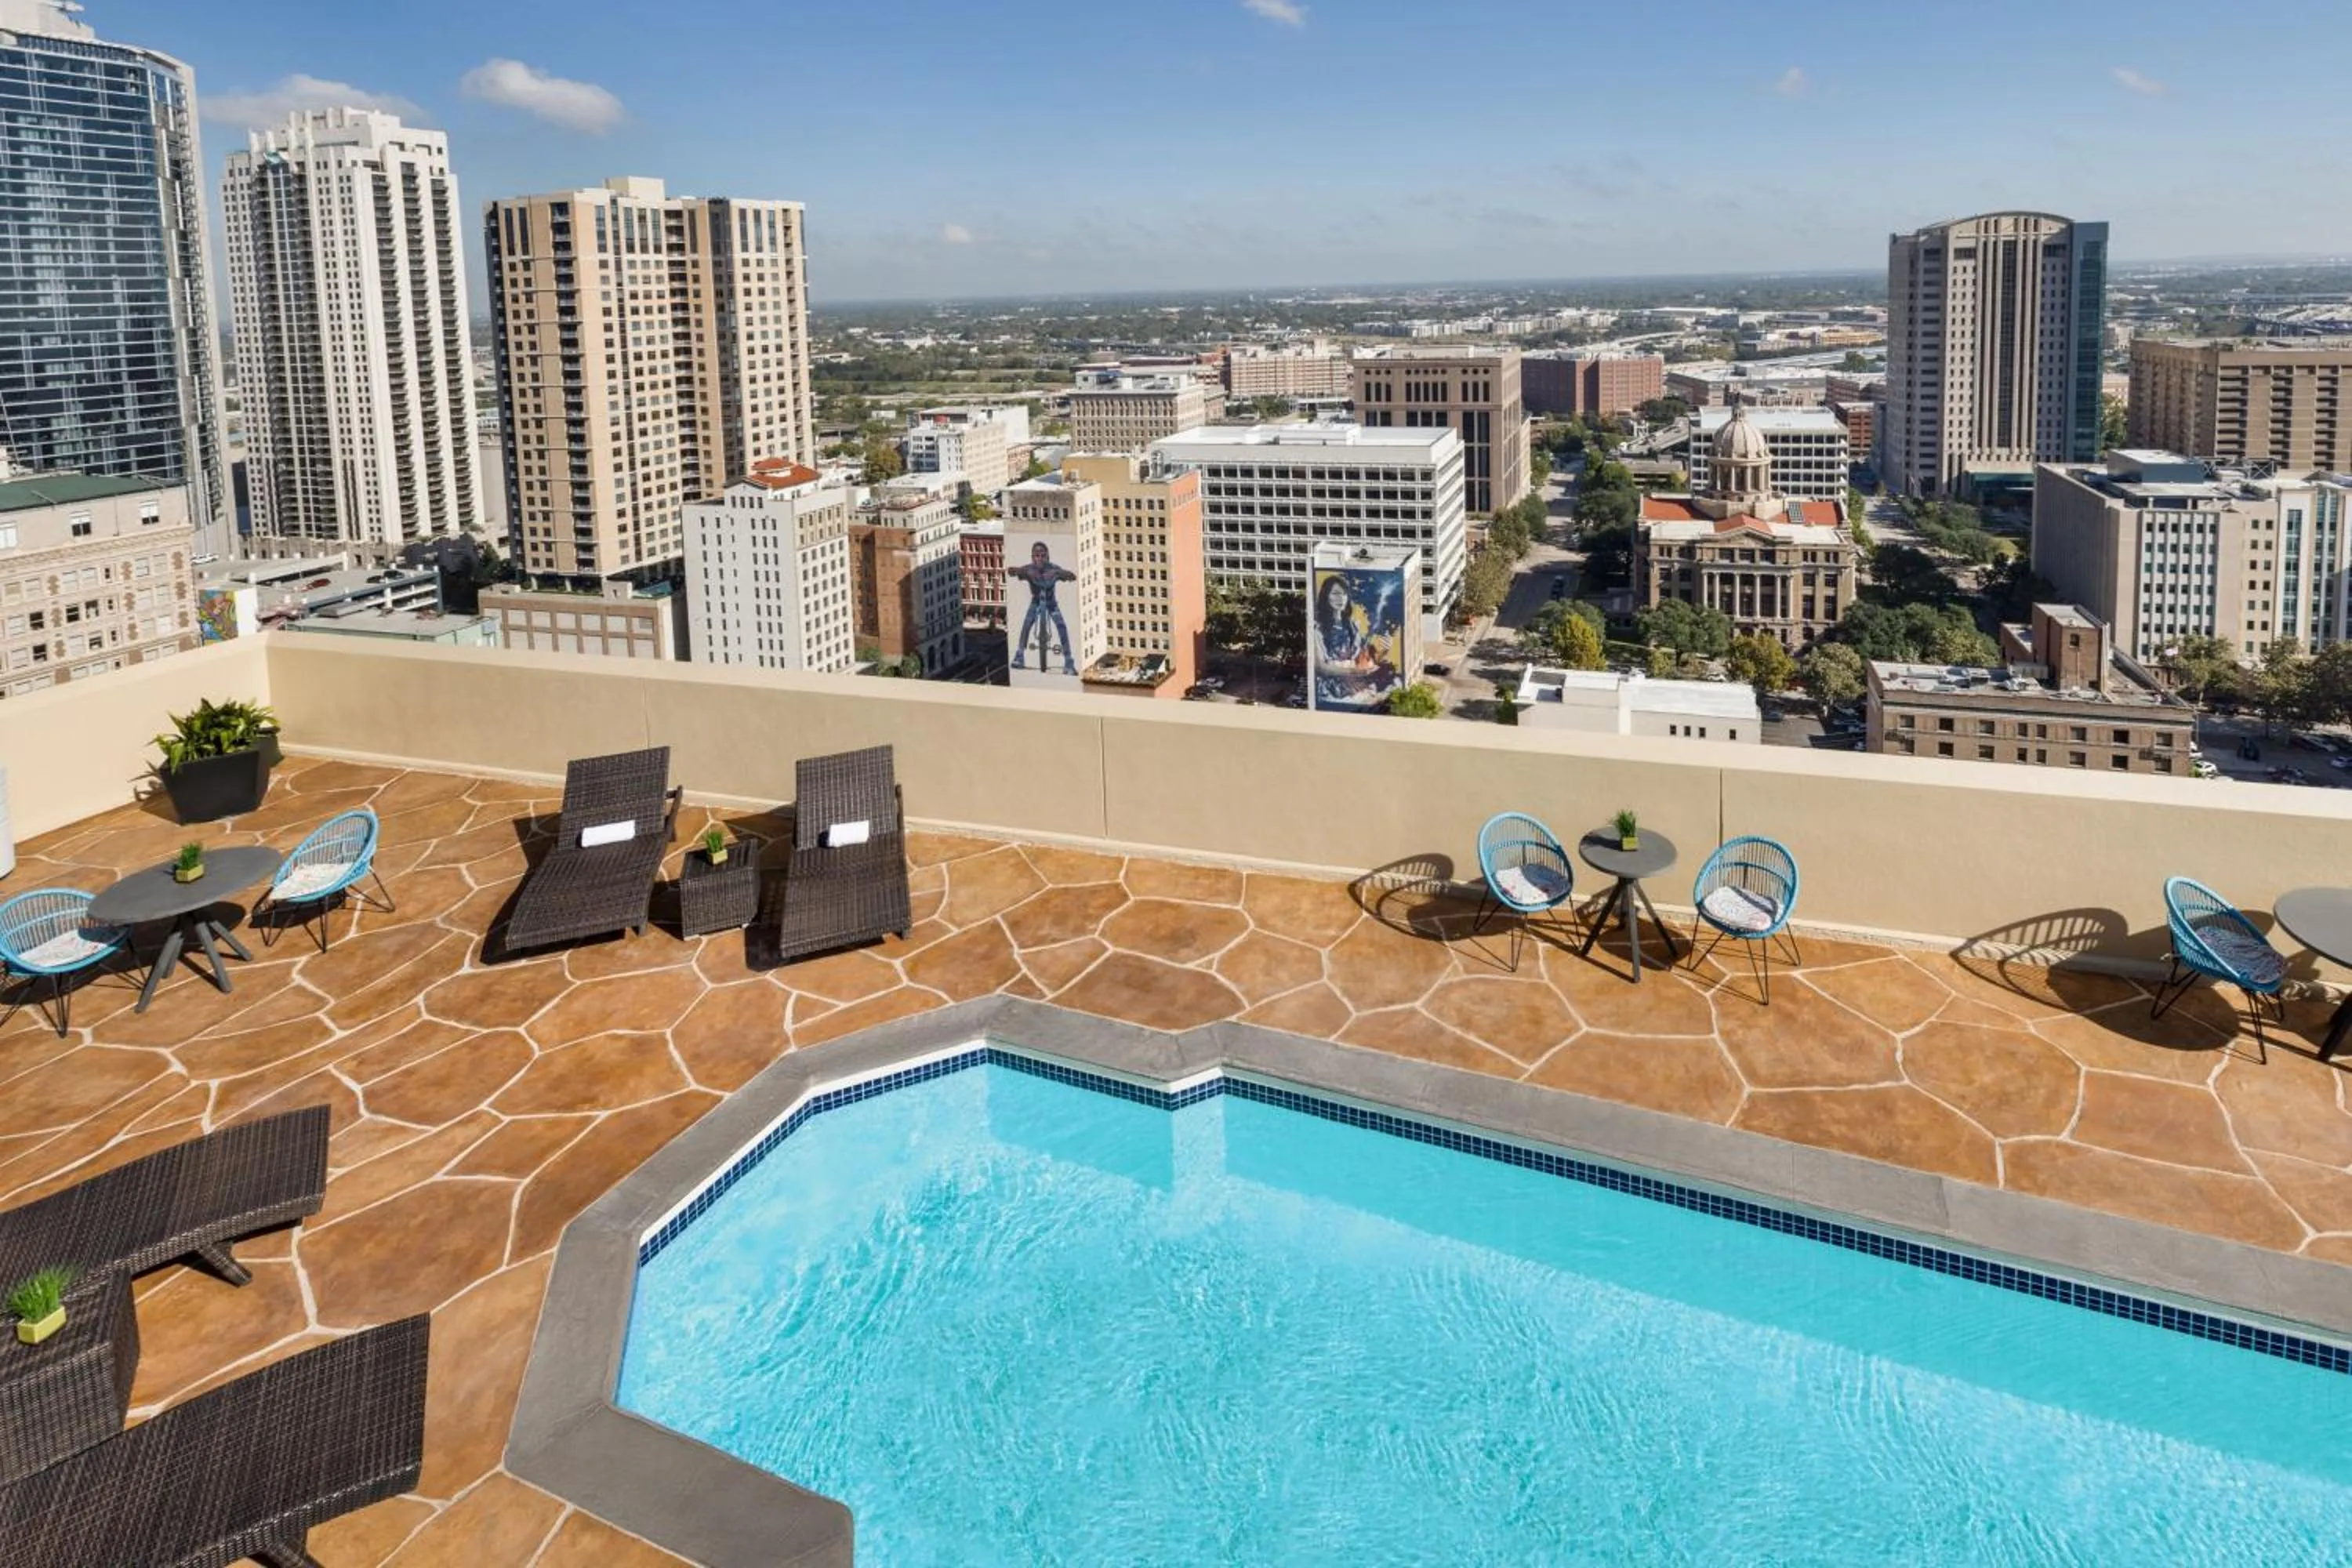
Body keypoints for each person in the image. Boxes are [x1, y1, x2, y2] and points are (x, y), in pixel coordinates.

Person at [1312, 572, 1397, 707]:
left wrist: (1385, 650)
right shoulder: (1317, 629)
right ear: (1325, 596)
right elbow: (1320, 667)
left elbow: (1364, 660)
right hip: (1333, 688)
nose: (1341, 598)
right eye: (1335, 593)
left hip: (1354, 682)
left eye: (1344, 594)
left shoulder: (1351, 626)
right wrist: (1352, 672)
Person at [1008, 540, 1078, 676]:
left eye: (1043, 555)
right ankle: (1020, 655)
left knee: (1061, 626)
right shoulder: (1029, 569)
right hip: (1036, 602)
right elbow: (1018, 571)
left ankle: (1068, 660)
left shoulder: (1054, 569)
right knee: (1027, 625)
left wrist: (1068, 575)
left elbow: (1064, 573)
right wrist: (1014, 571)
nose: (1040, 558)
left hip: (1051, 603)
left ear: (1048, 556)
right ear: (1032, 557)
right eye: (1037, 555)